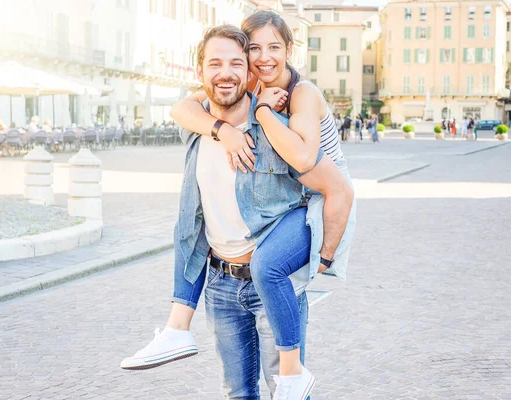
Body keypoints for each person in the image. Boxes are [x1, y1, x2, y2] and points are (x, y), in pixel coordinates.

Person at [121, 19, 355, 399]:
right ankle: (176, 328)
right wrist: (223, 130)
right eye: (215, 64)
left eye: (236, 63)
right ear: (200, 72)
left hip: (275, 272)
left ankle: (294, 372)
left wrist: (325, 257)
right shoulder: (199, 126)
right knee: (238, 393)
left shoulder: (284, 122)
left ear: (249, 75)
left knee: (288, 392)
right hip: (221, 284)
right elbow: (181, 109)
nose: (227, 72)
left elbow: (334, 185)